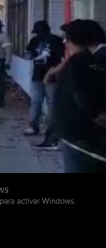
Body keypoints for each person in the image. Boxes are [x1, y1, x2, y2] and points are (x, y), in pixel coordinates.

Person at [51, 19, 106, 172]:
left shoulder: (80, 62)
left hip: (78, 135)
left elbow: (80, 93)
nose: (64, 42)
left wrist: (94, 114)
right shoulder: (90, 60)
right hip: (82, 134)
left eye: (66, 38)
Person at [24, 20, 65, 144]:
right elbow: (29, 54)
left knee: (45, 102)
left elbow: (61, 59)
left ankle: (48, 128)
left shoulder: (56, 41)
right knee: (40, 101)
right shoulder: (35, 41)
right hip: (38, 76)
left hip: (52, 76)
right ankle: (36, 126)